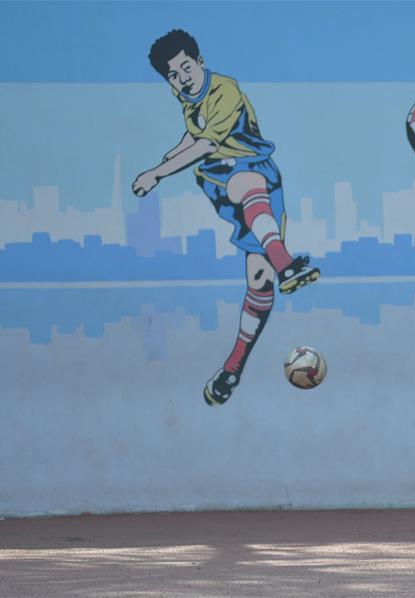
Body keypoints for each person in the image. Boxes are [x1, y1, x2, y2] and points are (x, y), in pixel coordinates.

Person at [132, 29, 320, 406]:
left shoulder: (225, 90)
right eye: (172, 74)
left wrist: (157, 173)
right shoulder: (185, 96)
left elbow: (206, 143)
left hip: (254, 173)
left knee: (259, 279)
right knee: (241, 184)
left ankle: (232, 368)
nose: (182, 78)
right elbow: (193, 134)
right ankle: (285, 263)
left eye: (186, 67)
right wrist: (165, 160)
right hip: (223, 178)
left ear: (201, 63)